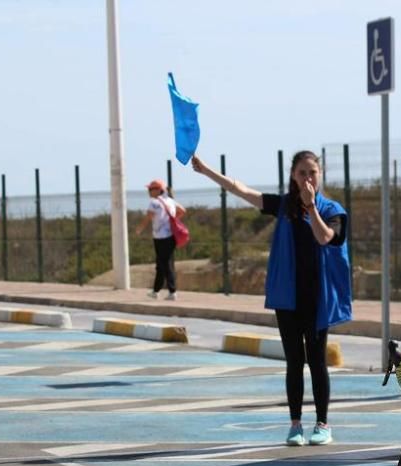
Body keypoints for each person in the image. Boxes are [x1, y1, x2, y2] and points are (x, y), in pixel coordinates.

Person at [192, 151, 351, 446]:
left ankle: (322, 423)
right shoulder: (283, 206)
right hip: (288, 297)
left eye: (312, 172)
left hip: (318, 298)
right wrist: (207, 171)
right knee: (294, 361)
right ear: (293, 175)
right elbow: (242, 190)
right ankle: (295, 425)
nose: (307, 178)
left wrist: (311, 207)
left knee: (317, 361)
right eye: (302, 172)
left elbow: (325, 237)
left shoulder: (332, 209)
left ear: (320, 175)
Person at [135, 179, 185, 301]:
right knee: (161, 264)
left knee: (166, 264)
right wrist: (172, 220)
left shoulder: (154, 203)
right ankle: (156, 291)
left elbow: (148, 217)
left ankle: (172, 291)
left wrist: (139, 229)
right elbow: (182, 210)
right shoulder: (170, 201)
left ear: (158, 190)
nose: (149, 191)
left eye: (151, 189)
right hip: (169, 236)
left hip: (161, 238)